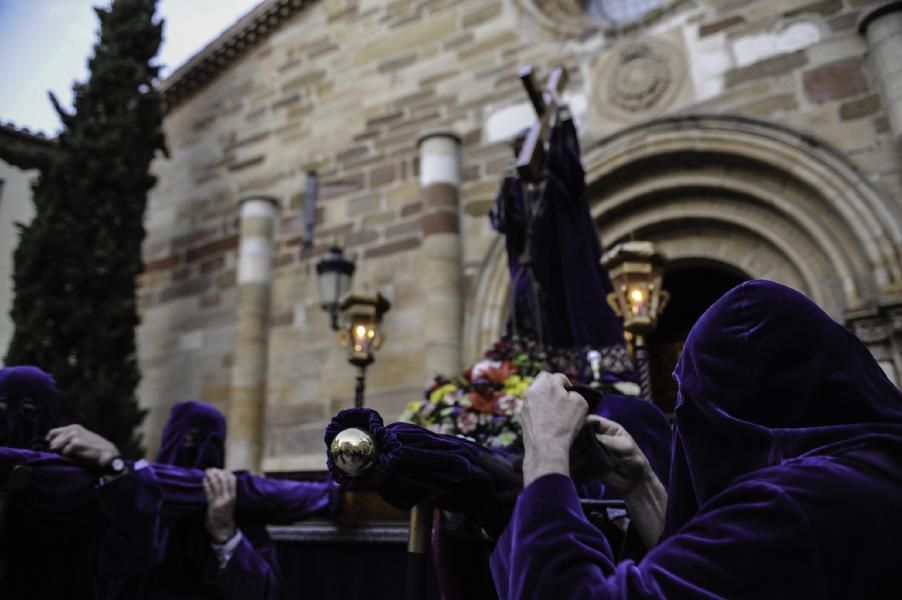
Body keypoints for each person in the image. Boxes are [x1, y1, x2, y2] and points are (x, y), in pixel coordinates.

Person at [491, 279, 902, 599]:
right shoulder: (873, 470)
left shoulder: (798, 502)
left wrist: (545, 453)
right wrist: (644, 488)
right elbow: (722, 581)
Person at [50, 400, 284, 599]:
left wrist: (226, 535)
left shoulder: (238, 510)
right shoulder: (142, 501)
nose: (201, 453)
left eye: (213, 444)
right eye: (190, 440)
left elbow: (263, 592)